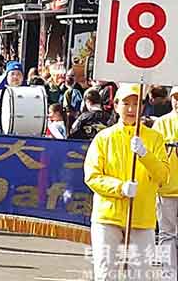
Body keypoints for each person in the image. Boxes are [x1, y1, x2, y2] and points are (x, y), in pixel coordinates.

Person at [84, 84, 169, 281]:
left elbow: (163, 176)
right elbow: (92, 176)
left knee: (139, 276)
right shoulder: (104, 138)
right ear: (115, 106)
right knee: (106, 275)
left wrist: (146, 155)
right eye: (126, 103)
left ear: (142, 107)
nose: (131, 109)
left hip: (142, 218)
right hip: (108, 218)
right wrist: (119, 187)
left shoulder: (155, 138)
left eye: (136, 104)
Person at [152, 86, 178, 279]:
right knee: (166, 234)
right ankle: (169, 275)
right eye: (176, 97)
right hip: (166, 190)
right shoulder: (161, 123)